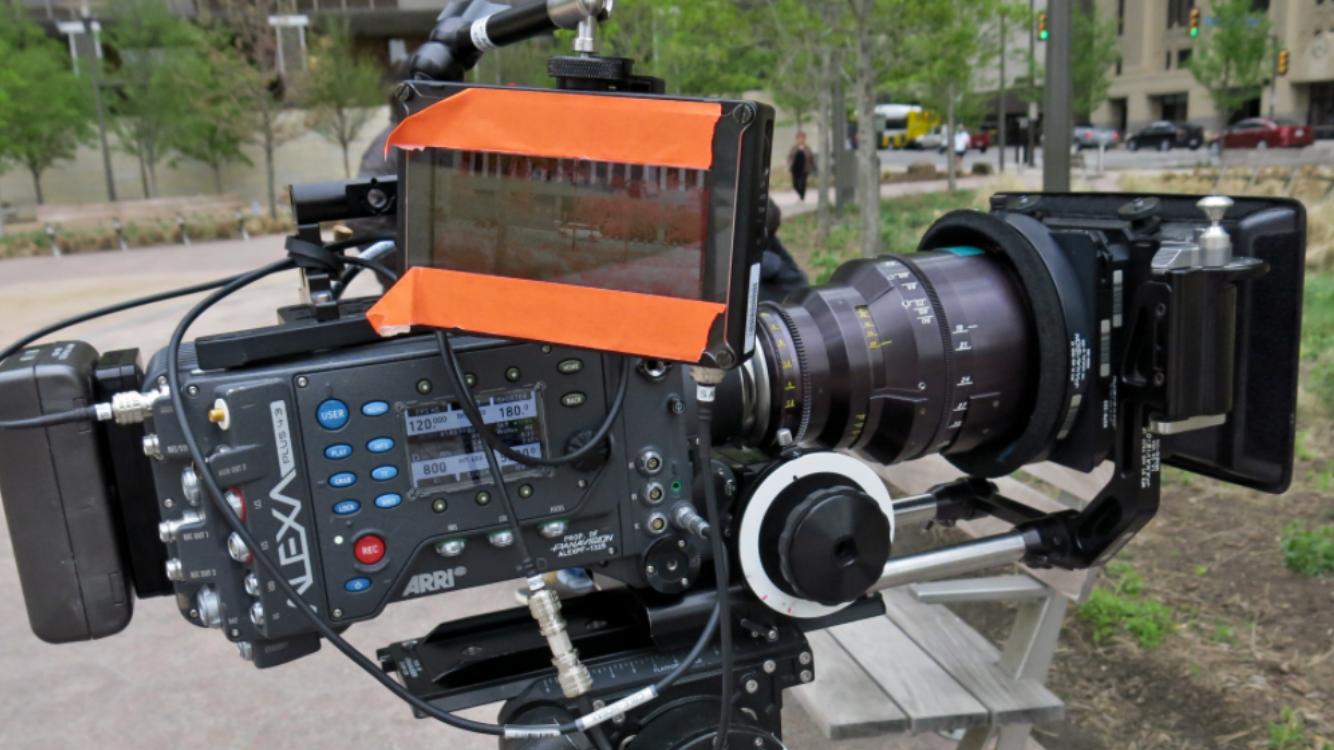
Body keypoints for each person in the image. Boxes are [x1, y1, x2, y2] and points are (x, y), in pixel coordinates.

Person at [786, 131, 815, 202]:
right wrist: (786, 162)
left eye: (802, 138)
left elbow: (811, 158)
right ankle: (800, 195)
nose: (800, 139)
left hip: (804, 169)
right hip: (795, 169)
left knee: (802, 183)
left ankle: (802, 197)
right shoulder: (794, 148)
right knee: (795, 184)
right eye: (799, 138)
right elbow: (789, 156)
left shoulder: (807, 148)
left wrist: (814, 166)